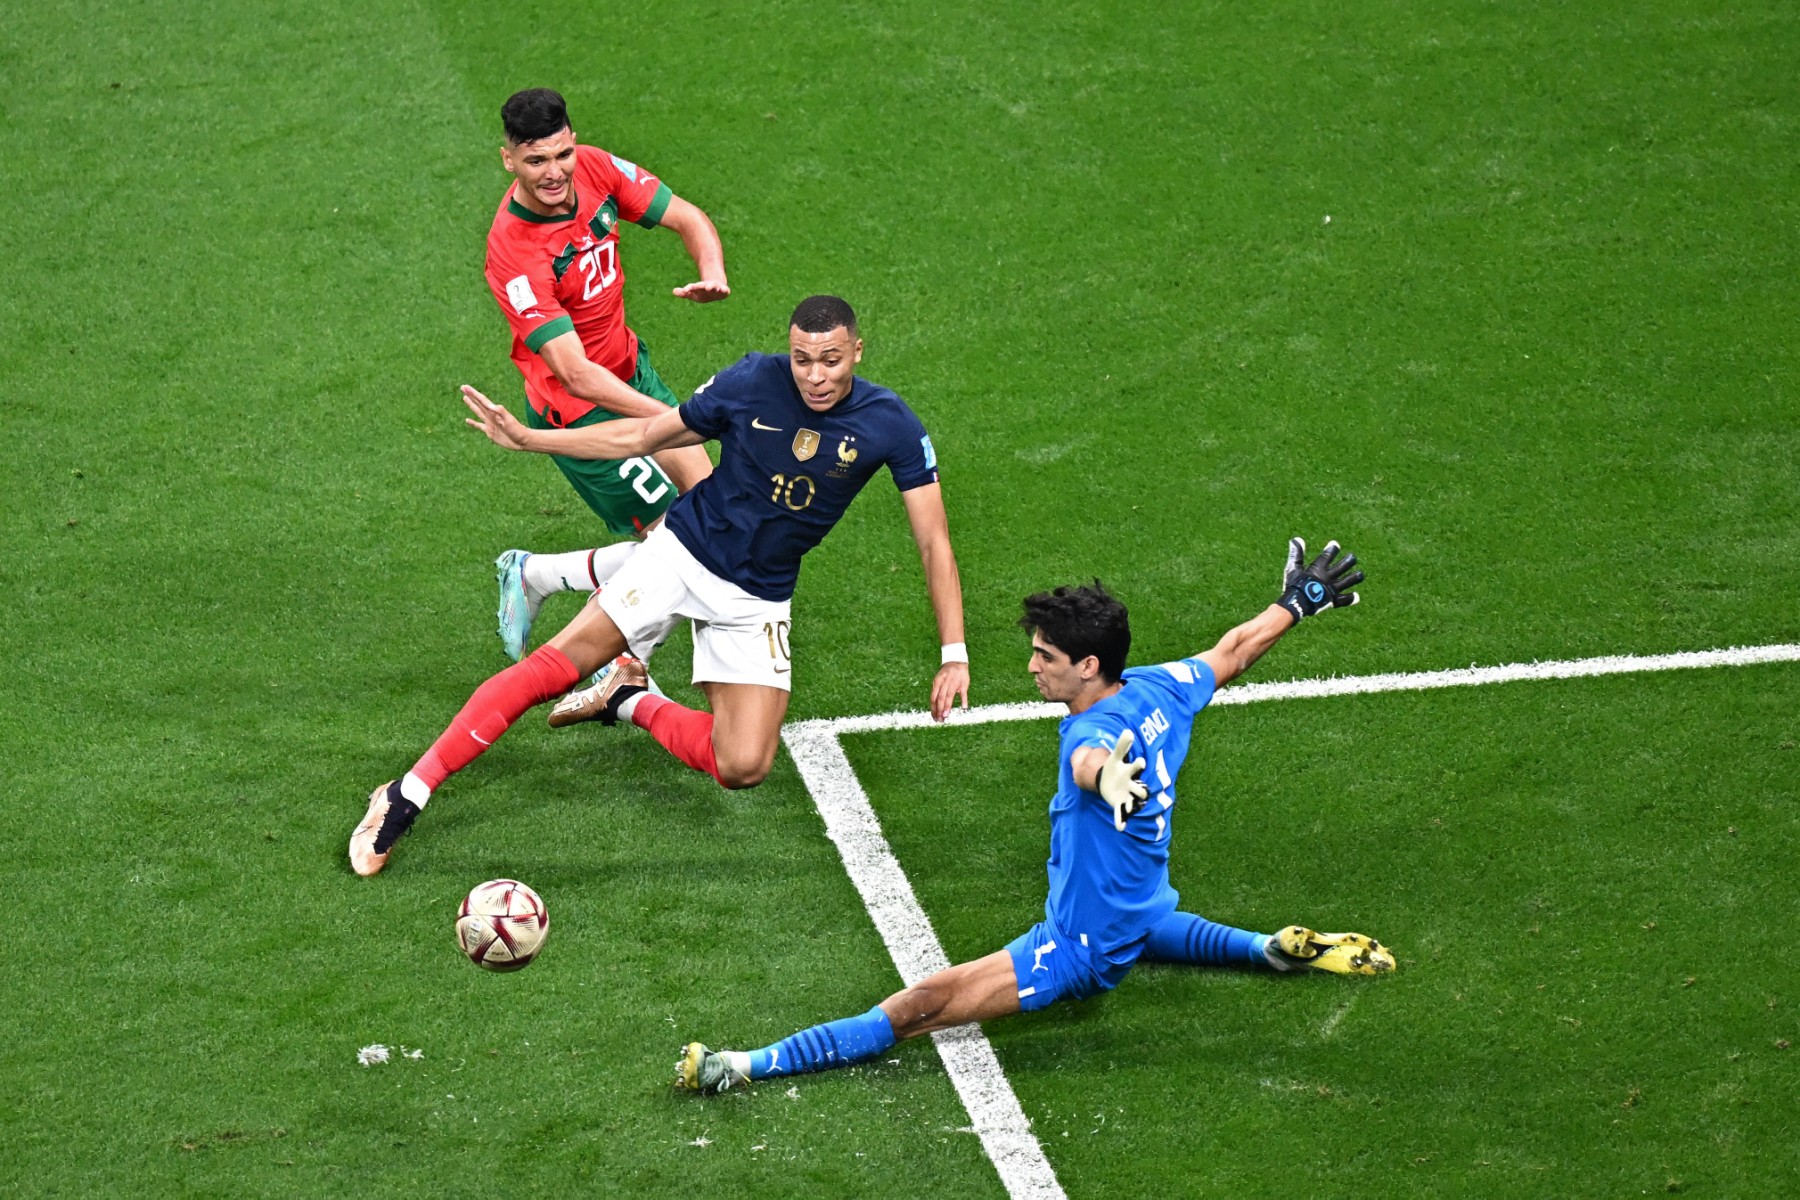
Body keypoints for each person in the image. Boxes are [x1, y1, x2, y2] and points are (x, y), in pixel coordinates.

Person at [672, 543, 1394, 1094]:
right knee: (1150, 928)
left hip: (1080, 947)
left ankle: (744, 1065)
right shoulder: (1163, 688)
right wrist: (1299, 601)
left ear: (1089, 666)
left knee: (921, 1006)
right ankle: (1271, 949)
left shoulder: (1090, 729)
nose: (1032, 667)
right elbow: (1235, 649)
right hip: (1141, 903)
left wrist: (1108, 776)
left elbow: (1089, 762)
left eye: (1045, 656)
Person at [349, 295, 972, 877]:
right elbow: (643, 435)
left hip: (758, 596)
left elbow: (933, 541)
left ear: (857, 351)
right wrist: (531, 439)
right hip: (681, 553)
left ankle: (628, 698)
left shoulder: (890, 424)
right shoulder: (752, 380)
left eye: (830, 360)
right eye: (802, 359)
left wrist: (953, 653)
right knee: (555, 669)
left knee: (743, 764)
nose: (814, 376)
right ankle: (406, 793)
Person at [483, 87, 729, 661]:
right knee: (679, 549)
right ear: (509, 160)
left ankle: (536, 575)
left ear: (574, 141)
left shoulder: (594, 166)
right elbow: (575, 375)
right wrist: (679, 418)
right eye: (535, 161)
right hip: (581, 413)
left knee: (715, 519)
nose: (554, 172)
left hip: (631, 374)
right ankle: (612, 665)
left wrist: (712, 270)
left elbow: (687, 216)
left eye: (562, 154)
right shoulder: (513, 252)